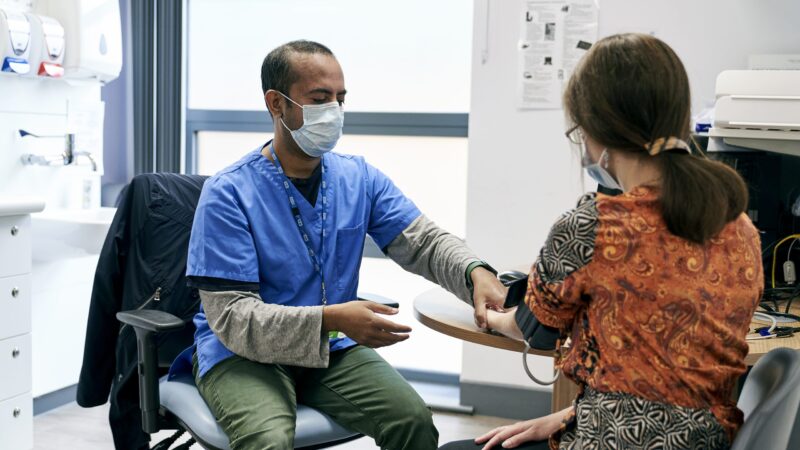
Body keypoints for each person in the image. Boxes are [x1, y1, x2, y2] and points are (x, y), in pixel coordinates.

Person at [440, 33, 763, 450]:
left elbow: (534, 329)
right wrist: (566, 415)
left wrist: (494, 316)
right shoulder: (740, 228)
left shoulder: (592, 224)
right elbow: (668, 382)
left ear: (595, 132)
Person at [184, 40, 507, 450]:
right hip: (242, 356)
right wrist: (330, 319)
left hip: (330, 350)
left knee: (412, 421)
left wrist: (474, 272)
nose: (334, 111)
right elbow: (232, 318)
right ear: (276, 105)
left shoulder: (359, 178)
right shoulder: (228, 193)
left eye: (341, 99)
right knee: (267, 440)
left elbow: (423, 242)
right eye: (319, 99)